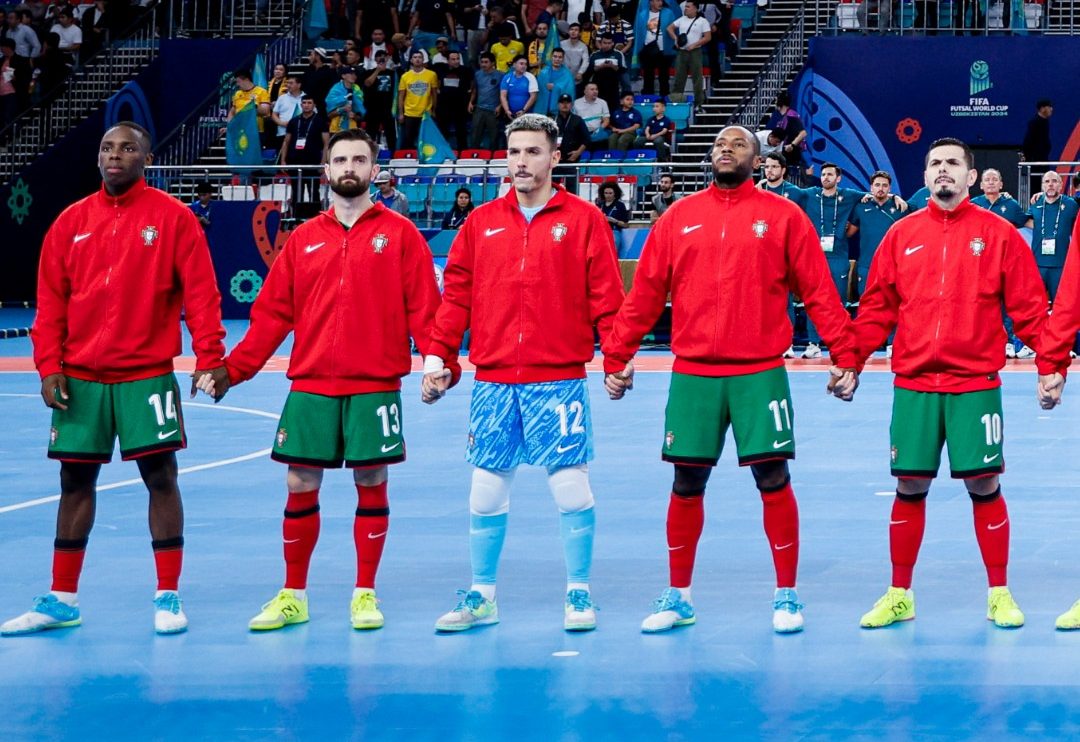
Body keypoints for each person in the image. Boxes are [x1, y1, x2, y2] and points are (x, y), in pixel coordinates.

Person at [601, 125, 857, 635]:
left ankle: (787, 595)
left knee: (773, 478)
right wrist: (616, 355)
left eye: (738, 144)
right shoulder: (679, 217)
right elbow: (646, 293)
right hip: (694, 373)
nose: (725, 148)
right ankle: (678, 596)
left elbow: (819, 290)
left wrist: (844, 355)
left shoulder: (784, 216)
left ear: (758, 159)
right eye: (719, 143)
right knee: (686, 480)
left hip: (759, 372)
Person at [197, 129, 454, 633]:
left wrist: (439, 362)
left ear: (375, 170)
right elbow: (271, 316)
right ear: (326, 170)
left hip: (375, 381)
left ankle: (365, 594)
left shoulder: (401, 236)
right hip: (312, 383)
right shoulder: (303, 240)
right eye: (341, 159)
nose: (350, 167)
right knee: (299, 482)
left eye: (360, 158)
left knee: (372, 480)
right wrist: (233, 369)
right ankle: (294, 594)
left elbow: (428, 312)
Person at [0, 122, 228, 637]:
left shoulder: (174, 220)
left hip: (146, 375)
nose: (115, 155)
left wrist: (211, 356)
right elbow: (51, 302)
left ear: (146, 158)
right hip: (80, 378)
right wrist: (49, 367)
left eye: (127, 148)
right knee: (74, 480)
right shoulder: (70, 221)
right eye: (107, 148)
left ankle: (168, 596)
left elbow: (201, 293)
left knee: (160, 476)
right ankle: (62, 599)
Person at [423, 113, 625, 633]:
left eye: (533, 152)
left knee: (570, 488)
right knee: (485, 488)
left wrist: (617, 360)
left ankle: (579, 593)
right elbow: (456, 298)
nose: (521, 162)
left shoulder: (583, 220)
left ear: (555, 157)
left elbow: (607, 298)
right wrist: (438, 358)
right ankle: (482, 596)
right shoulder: (481, 222)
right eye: (514, 152)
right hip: (492, 379)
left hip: (557, 378)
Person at [843, 138, 1049, 630]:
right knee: (909, 483)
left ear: (971, 178)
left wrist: (1051, 364)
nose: (943, 171)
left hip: (975, 382)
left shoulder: (999, 235)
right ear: (925, 175)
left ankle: (999, 592)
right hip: (913, 382)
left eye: (953, 164)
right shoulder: (901, 234)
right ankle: (900, 593)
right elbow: (876, 309)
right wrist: (850, 360)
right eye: (935, 164)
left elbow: (1027, 308)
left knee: (984, 481)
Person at [850, 170, 908, 300]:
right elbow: (848, 233)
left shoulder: (901, 208)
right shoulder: (860, 207)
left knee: (892, 307)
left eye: (884, 185)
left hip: (892, 267)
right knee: (866, 306)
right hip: (866, 266)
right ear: (871, 187)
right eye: (877, 185)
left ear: (890, 188)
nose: (880, 189)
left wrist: (894, 197)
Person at [1027, 170, 1079, 306]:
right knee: (1034, 305)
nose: (1050, 184)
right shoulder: (1036, 204)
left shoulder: (1071, 204)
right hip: (1038, 264)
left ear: (1061, 185)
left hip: (1061, 265)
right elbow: (1026, 221)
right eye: (1047, 182)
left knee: (1062, 305)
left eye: (1054, 181)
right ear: (1042, 186)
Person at [668, 0, 710, 113]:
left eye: (688, 7)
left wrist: (695, 44)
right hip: (682, 52)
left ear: (695, 8)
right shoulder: (681, 19)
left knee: (697, 79)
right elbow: (669, 28)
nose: (685, 9)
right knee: (679, 78)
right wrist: (675, 38)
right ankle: (676, 101)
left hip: (695, 52)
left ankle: (699, 104)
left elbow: (707, 37)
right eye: (685, 7)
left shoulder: (703, 21)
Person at [397, 51, 439, 150]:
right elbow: (401, 96)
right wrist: (401, 113)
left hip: (426, 113)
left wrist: (433, 110)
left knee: (426, 140)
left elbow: (434, 94)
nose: (417, 59)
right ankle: (408, 160)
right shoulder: (405, 76)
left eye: (420, 57)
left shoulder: (431, 75)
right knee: (409, 139)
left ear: (423, 59)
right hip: (410, 113)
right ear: (411, 60)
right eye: (415, 57)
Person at [435, 50, 472, 151]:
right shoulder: (440, 69)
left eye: (458, 59)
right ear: (447, 60)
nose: (456, 61)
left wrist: (470, 101)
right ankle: (443, 151)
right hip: (444, 106)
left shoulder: (466, 71)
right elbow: (437, 83)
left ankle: (463, 153)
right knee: (443, 130)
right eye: (453, 59)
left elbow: (472, 87)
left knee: (461, 131)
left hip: (460, 105)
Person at [638, 0, 676, 98]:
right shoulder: (642, 14)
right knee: (648, 76)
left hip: (664, 50)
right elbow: (639, 32)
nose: (660, 3)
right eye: (658, 0)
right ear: (651, 2)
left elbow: (675, 30)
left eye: (661, 1)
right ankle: (648, 98)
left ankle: (664, 99)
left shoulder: (669, 13)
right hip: (648, 49)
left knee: (664, 77)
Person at [553, 92, 589, 194]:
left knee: (572, 190)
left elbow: (586, 139)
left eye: (567, 102)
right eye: (562, 102)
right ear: (558, 104)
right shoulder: (552, 120)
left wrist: (578, 152)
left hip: (571, 160)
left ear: (571, 105)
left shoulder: (577, 120)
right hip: (555, 160)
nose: (565, 105)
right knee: (552, 189)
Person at [362, 50, 397, 151]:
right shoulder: (369, 72)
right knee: (370, 134)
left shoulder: (393, 73)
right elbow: (367, 83)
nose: (381, 59)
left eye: (384, 57)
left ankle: (392, 156)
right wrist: (377, 70)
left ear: (387, 58)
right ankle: (368, 153)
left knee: (391, 135)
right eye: (379, 57)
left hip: (388, 108)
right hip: (373, 108)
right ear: (375, 59)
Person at [469, 52, 503, 150]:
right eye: (482, 62)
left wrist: (500, 106)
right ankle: (474, 155)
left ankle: (494, 157)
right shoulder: (477, 74)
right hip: (479, 109)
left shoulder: (500, 75)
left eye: (486, 62)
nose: (483, 64)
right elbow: (475, 89)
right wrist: (471, 102)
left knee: (494, 135)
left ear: (492, 63)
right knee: (475, 134)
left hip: (493, 110)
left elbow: (504, 93)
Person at [1021, 98, 1052, 193]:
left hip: (1044, 160)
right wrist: (1029, 158)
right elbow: (1028, 142)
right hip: (1036, 162)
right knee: (1036, 187)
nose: (1051, 109)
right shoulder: (1034, 123)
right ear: (1042, 109)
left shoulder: (1045, 122)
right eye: (1049, 107)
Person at [325, 66, 367, 134]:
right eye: (350, 74)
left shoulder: (357, 90)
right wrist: (342, 109)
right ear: (343, 75)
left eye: (355, 74)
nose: (354, 76)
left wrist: (354, 116)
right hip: (336, 130)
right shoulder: (335, 90)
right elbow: (329, 115)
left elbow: (360, 116)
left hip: (352, 131)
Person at [499, 54, 538, 121]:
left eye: (525, 64)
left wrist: (523, 110)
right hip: (510, 114)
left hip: (527, 115)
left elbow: (533, 96)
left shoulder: (531, 77)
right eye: (521, 64)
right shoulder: (507, 77)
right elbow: (503, 96)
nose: (524, 66)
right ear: (514, 65)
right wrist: (507, 111)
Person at [573, 82, 609, 151]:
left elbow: (606, 120)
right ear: (585, 91)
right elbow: (574, 120)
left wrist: (599, 130)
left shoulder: (603, 103)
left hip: (597, 132)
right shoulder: (576, 103)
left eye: (596, 89)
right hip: (582, 133)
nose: (595, 91)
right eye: (592, 89)